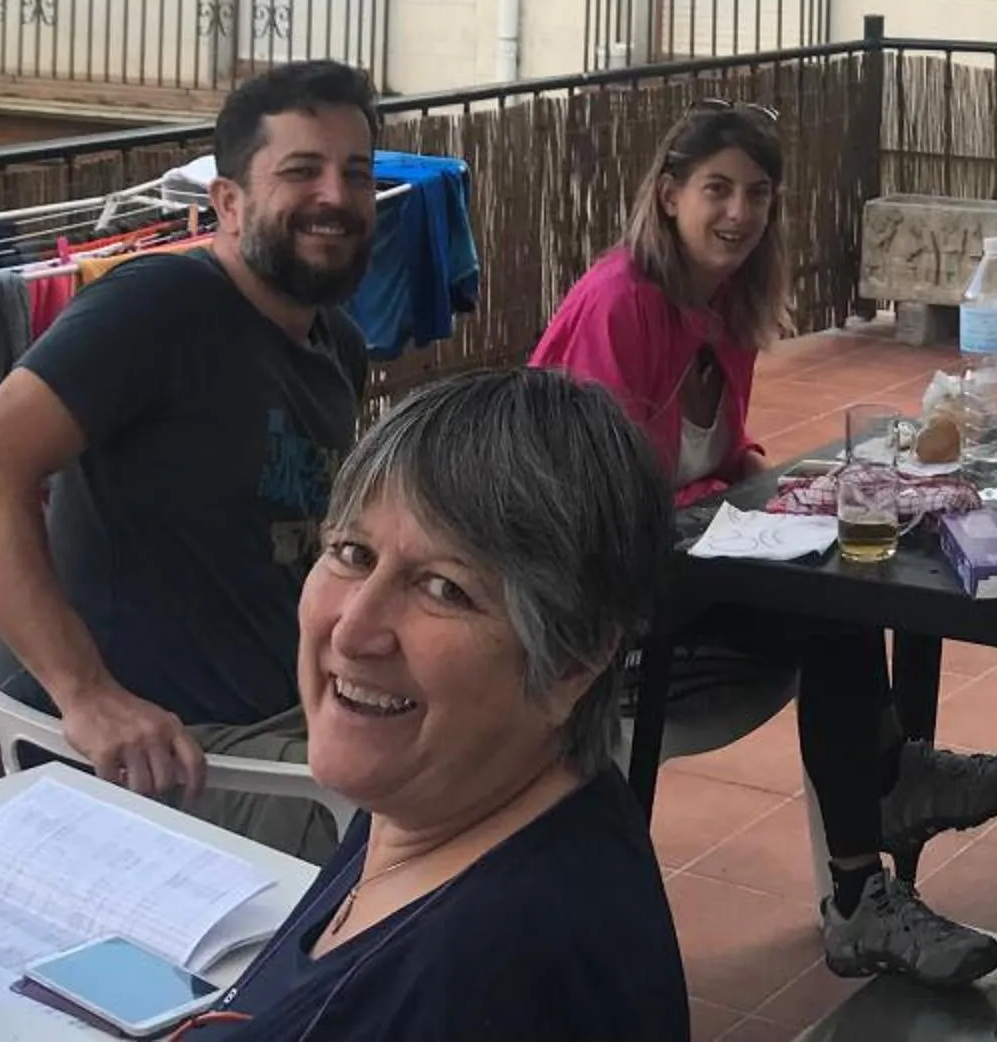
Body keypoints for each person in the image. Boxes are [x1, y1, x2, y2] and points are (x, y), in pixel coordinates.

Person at [531, 102, 997, 991]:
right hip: (592, 599)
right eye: (717, 189)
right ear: (669, 195)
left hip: (675, 562)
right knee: (828, 591)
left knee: (844, 566)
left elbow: (710, 456)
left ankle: (871, 855)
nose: (739, 213)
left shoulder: (722, 303)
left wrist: (765, 481)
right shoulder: (623, 304)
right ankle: (887, 801)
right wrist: (745, 500)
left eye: (758, 193)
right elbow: (604, 491)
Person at [0, 60, 379, 861]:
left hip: (304, 718)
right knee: (458, 848)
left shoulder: (336, 343)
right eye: (301, 171)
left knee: (531, 764)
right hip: (183, 756)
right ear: (229, 203)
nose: (336, 198)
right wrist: (87, 695)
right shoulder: (159, 308)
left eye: (357, 173)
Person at [200, 366, 691, 1039]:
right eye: (352, 552)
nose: (353, 628)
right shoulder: (434, 801)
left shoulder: (496, 983)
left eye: (444, 589)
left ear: (572, 662)